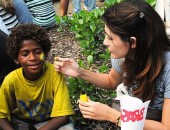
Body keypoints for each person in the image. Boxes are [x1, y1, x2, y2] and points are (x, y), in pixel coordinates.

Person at [54, 0, 170, 129]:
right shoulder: (125, 54)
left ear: (132, 42)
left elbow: (165, 127)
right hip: (134, 116)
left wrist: (112, 115)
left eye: (110, 38)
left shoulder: (168, 67)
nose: (105, 42)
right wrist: (79, 72)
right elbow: (111, 81)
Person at [0, 24, 75, 130]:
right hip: (22, 122)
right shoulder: (11, 80)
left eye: (38, 52)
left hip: (51, 122)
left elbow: (62, 116)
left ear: (45, 52)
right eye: (25, 54)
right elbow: (1, 115)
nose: (33, 58)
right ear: (16, 59)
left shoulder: (54, 73)